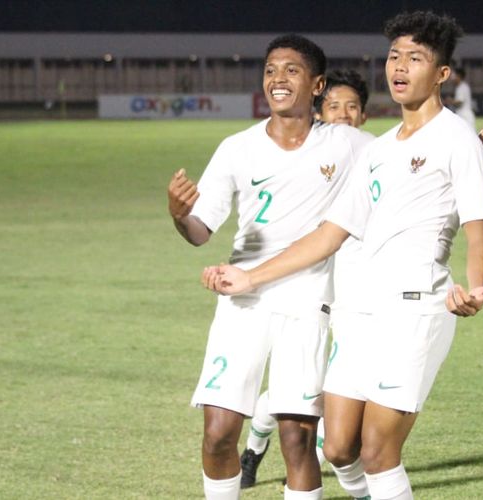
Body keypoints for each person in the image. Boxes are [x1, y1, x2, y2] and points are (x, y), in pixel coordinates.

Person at [203, 11, 483, 500]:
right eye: (394, 56)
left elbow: (478, 231)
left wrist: (477, 286)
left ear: (441, 74)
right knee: (337, 448)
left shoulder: (457, 139)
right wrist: (250, 278)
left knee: (379, 452)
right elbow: (329, 234)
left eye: (415, 58)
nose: (399, 67)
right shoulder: (377, 150)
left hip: (414, 308)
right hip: (357, 310)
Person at [167, 34, 372, 500]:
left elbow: (405, 156)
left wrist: (476, 150)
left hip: (307, 303)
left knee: (297, 440)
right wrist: (180, 215)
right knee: (218, 431)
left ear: (318, 84)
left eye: (292, 70)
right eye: (271, 70)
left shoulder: (347, 143)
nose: (278, 79)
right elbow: (201, 231)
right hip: (243, 300)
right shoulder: (238, 148)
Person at [238, 67, 374, 490]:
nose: (344, 114)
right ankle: (256, 450)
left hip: (353, 289)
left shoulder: (369, 154)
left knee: (308, 386)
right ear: (318, 110)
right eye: (334, 106)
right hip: (306, 287)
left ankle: (262, 449)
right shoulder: (300, 155)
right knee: (301, 388)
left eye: (352, 107)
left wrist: (472, 148)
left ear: (364, 116)